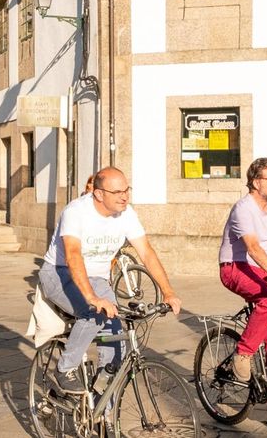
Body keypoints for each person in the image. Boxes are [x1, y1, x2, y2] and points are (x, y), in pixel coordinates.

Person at [38, 167, 182, 395]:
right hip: (60, 272)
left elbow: (146, 253)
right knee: (94, 313)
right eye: (117, 192)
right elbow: (73, 255)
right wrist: (92, 298)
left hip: (97, 278)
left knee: (117, 342)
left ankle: (102, 405)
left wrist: (168, 292)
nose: (124, 196)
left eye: (126, 190)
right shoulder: (76, 212)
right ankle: (65, 369)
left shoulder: (127, 213)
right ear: (98, 194)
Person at [217, 157, 267, 418]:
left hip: (261, 269)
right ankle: (243, 353)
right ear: (255, 182)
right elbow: (252, 247)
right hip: (235, 266)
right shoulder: (243, 208)